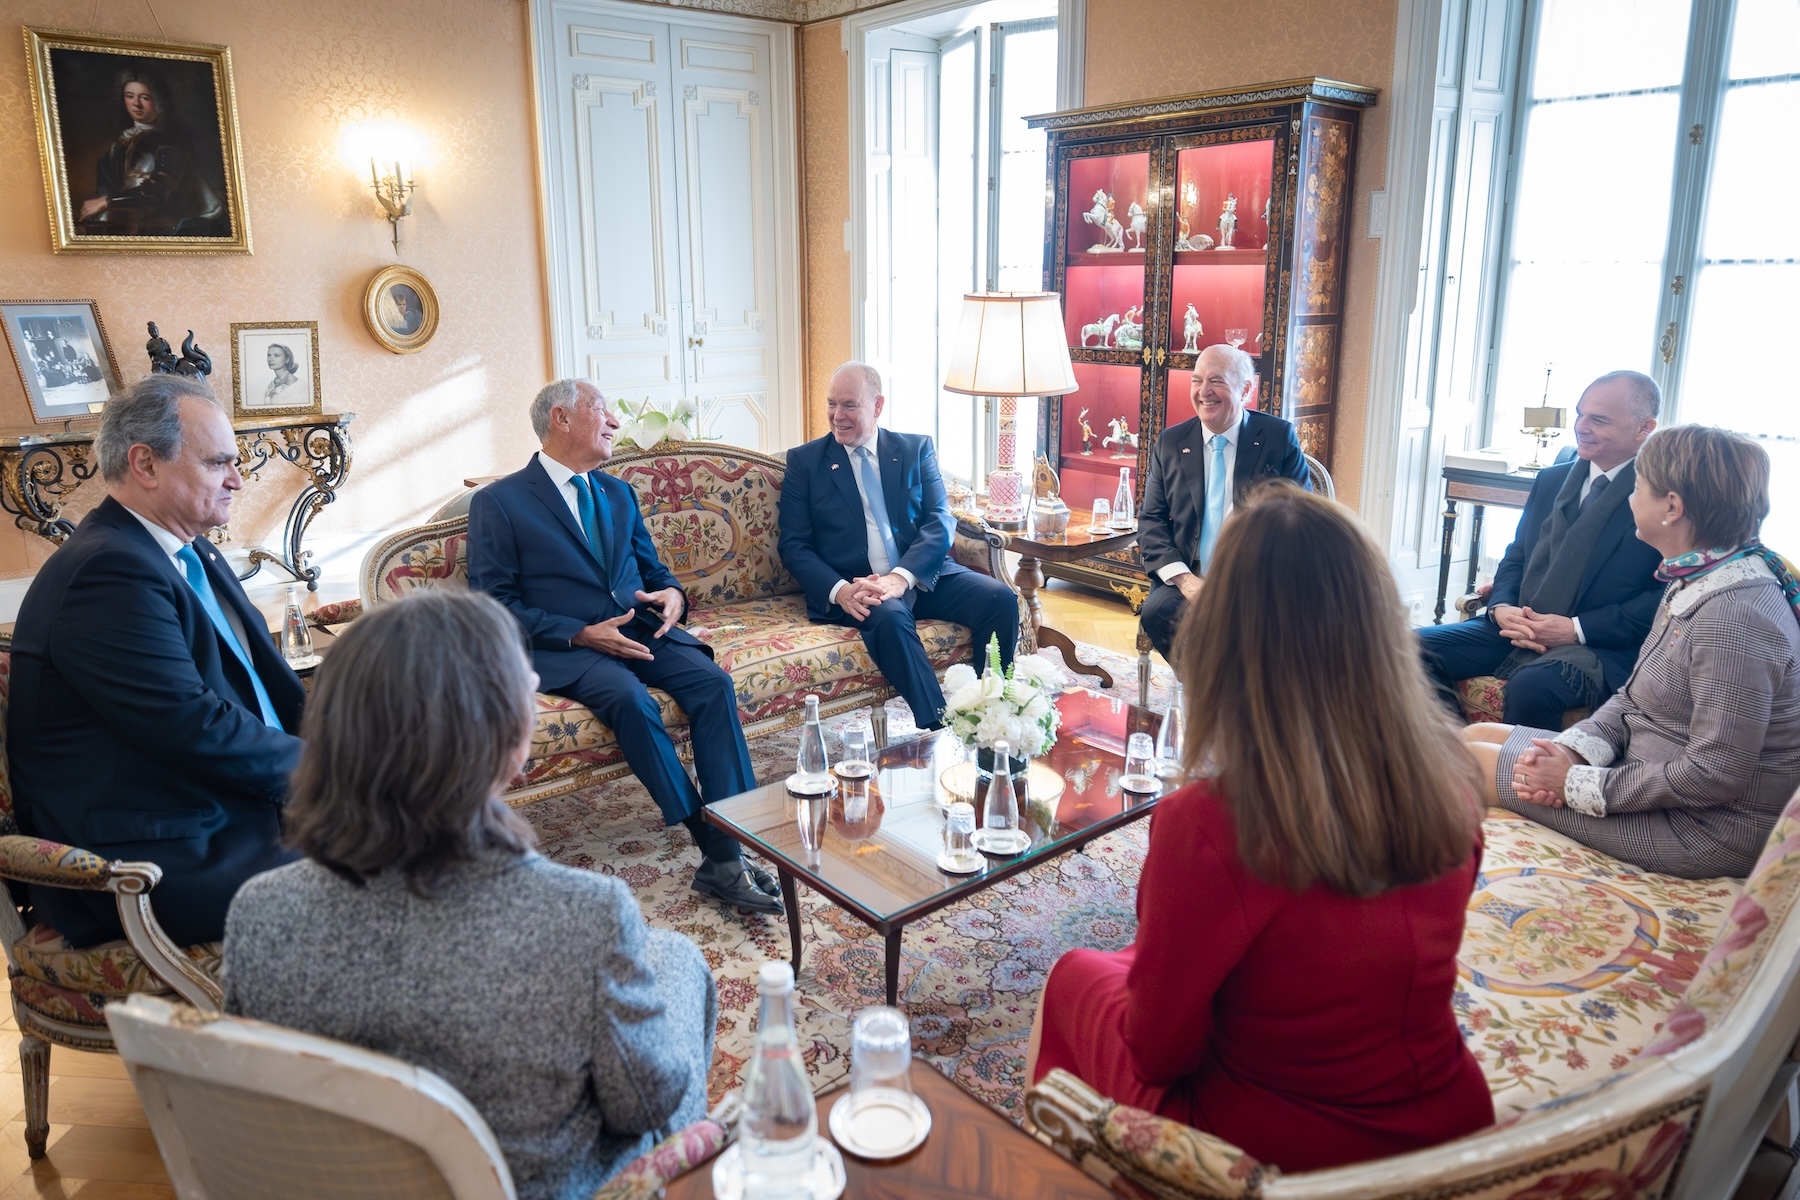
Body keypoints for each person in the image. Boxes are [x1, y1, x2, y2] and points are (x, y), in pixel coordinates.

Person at [1027, 486, 1492, 1171]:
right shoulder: (1453, 778)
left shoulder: (1209, 822)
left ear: (1225, 639)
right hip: (1448, 1122)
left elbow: (1159, 1053)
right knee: (1130, 964)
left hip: (1281, 1154)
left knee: (1073, 976)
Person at [223, 590, 716, 1200]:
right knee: (680, 959)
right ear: (504, 737)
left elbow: (258, 1101)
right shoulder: (587, 915)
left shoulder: (258, 910)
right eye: (521, 678)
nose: (533, 682)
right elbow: (645, 1105)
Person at [6, 375, 303, 947]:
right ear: (145, 464)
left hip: (230, 813)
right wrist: (338, 774)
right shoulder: (107, 571)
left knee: (436, 835)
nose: (237, 480)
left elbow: (263, 690)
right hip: (155, 857)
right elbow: (193, 725)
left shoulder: (192, 551)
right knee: (403, 869)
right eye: (218, 463)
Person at [467, 379, 779, 915]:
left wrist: (673, 594)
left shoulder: (617, 492)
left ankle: (731, 839)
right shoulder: (499, 502)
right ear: (561, 419)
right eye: (601, 410)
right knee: (631, 702)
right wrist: (579, 632)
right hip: (568, 647)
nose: (614, 422)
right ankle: (720, 853)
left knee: (713, 684)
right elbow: (492, 603)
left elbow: (652, 569)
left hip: (640, 629)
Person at [1462, 426, 1800, 879]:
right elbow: (1631, 699)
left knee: (1467, 765)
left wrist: (1576, 782)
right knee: (1474, 737)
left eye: (1638, 488)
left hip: (1706, 829)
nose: (1629, 498)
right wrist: (1573, 754)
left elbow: (1715, 773)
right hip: (1653, 777)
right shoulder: (1697, 577)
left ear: (1672, 508)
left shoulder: (1734, 618)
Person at [777, 361, 1019, 730]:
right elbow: (794, 545)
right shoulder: (806, 462)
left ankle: (995, 714)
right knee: (890, 619)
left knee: (999, 599)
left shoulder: (914, 449)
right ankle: (943, 727)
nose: (837, 416)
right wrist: (840, 591)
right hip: (859, 587)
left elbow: (940, 520)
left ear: (877, 406)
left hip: (920, 574)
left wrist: (901, 577)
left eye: (849, 405)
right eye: (831, 404)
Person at [1419, 371, 1664, 729]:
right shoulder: (1551, 480)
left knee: (1532, 687)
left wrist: (1575, 628)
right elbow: (1516, 555)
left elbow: (1663, 598)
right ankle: (1456, 750)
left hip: (1599, 646)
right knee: (1407, 648)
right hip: (1519, 626)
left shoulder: (1661, 496)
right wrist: (1502, 608)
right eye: (1580, 414)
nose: (1581, 427)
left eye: (1598, 420)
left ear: (1645, 428)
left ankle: (1514, 768)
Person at [1135, 343, 1311, 660]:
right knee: (1157, 611)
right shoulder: (1171, 443)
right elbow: (1151, 521)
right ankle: (1204, 687)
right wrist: (1185, 580)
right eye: (1197, 380)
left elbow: (1302, 518)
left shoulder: (1277, 438)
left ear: (1246, 389)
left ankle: (1231, 687)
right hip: (1189, 575)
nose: (1204, 391)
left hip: (1256, 579)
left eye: (1216, 381)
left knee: (1259, 624)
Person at [77, 68, 227, 238]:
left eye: (145, 98)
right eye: (129, 96)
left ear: (159, 101)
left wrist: (107, 202)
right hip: (130, 226)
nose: (136, 104)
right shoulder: (120, 143)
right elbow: (106, 187)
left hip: (168, 228)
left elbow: (159, 191)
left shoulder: (169, 143)